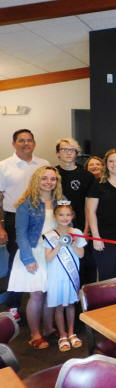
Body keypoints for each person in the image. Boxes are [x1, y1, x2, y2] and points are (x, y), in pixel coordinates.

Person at [7, 166, 62, 349]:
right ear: (36, 180)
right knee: (37, 294)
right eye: (44, 178)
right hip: (33, 251)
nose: (49, 182)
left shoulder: (60, 201)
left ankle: (48, 328)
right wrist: (28, 259)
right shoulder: (26, 204)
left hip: (54, 252)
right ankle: (35, 334)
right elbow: (20, 234)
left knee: (49, 292)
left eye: (52, 179)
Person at [0, 129, 49, 321]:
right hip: (15, 218)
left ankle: (40, 300)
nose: (26, 143)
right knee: (17, 260)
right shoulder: (4, 166)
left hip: (40, 217)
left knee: (42, 257)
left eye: (29, 140)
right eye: (21, 140)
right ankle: (13, 306)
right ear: (14, 143)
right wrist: (0, 227)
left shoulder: (43, 164)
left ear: (34, 143)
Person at [43, 202, 86, 352]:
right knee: (60, 306)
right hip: (56, 276)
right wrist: (59, 244)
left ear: (72, 216)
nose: (65, 217)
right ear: (55, 216)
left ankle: (72, 333)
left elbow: (81, 255)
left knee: (71, 305)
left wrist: (73, 244)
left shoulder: (77, 232)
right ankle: (62, 335)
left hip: (71, 276)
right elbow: (48, 258)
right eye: (61, 214)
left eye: (68, 214)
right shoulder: (49, 236)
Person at [86, 149, 116, 280]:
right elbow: (91, 212)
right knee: (106, 277)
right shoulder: (98, 184)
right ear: (106, 164)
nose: (115, 164)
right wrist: (96, 237)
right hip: (104, 238)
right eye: (111, 161)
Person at [54, 138, 96, 285]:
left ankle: (86, 297)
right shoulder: (53, 175)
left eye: (72, 150)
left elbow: (89, 205)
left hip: (82, 227)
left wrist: (86, 229)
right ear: (58, 153)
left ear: (77, 153)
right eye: (64, 149)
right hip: (58, 228)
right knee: (62, 264)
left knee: (86, 264)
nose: (68, 153)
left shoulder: (87, 176)